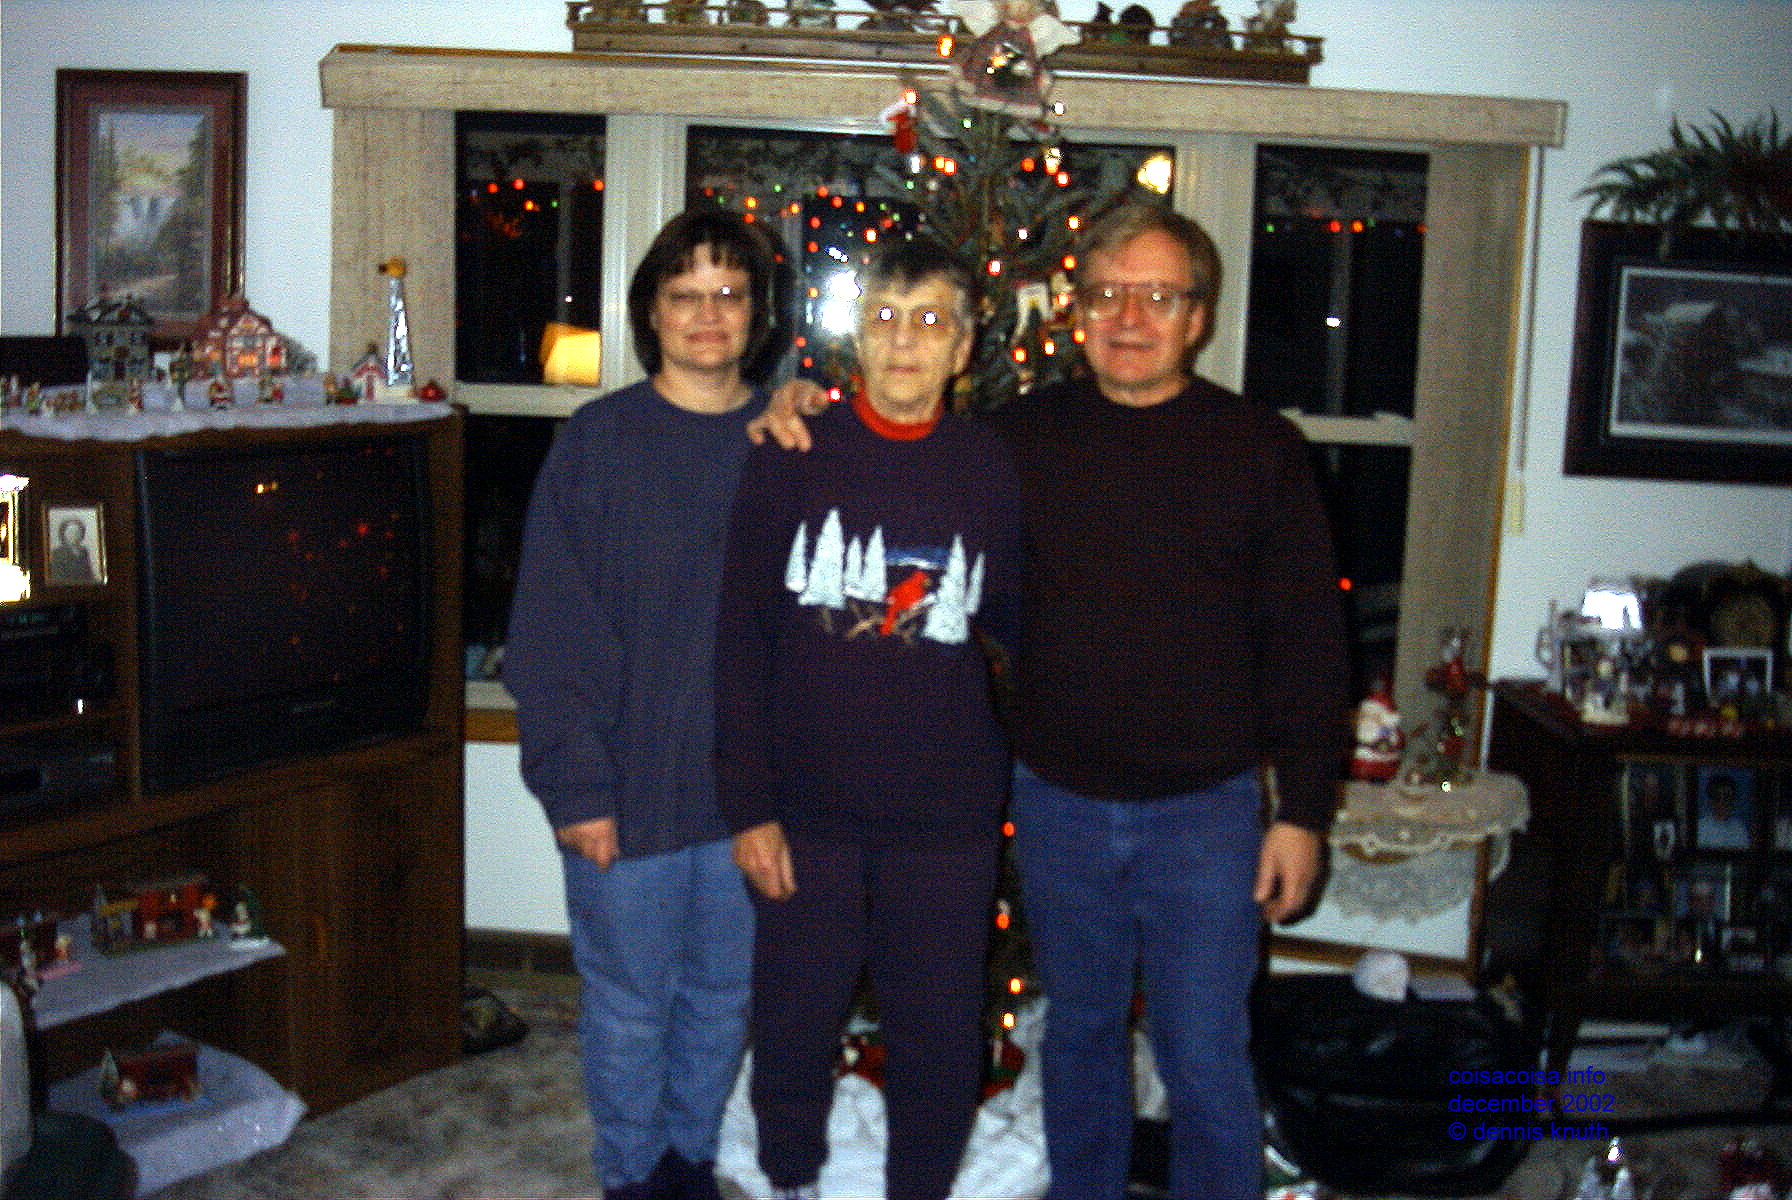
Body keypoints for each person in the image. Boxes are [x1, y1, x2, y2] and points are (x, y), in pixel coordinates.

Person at [755, 200, 1350, 1200]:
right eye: (1107, 293)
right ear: (1075, 311)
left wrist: (1302, 814)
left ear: (1196, 317)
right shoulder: (1011, 442)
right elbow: (898, 453)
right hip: (1058, 798)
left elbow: (1307, 647)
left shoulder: (1259, 448)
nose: (1128, 316)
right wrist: (788, 408)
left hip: (1206, 812)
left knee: (1203, 1051)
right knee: (1076, 1037)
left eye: (1155, 295)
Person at [714, 236, 1024, 1200]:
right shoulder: (792, 455)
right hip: (805, 812)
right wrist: (748, 807)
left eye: (932, 322)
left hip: (947, 819)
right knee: (795, 1020)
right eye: (884, 319)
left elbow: (1016, 627)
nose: (904, 343)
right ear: (853, 336)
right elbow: (740, 638)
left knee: (938, 1033)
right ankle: (792, 1178)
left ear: (965, 347)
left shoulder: (994, 469)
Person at [505, 209, 782, 1200]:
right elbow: (549, 632)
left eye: (728, 293)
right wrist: (575, 786)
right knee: (628, 1006)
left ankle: (690, 1159)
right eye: (684, 295)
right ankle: (631, 1176)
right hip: (626, 790)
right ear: (651, 314)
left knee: (723, 996)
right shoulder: (599, 444)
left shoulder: (789, 440)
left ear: (756, 314)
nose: (708, 314)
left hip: (754, 799)